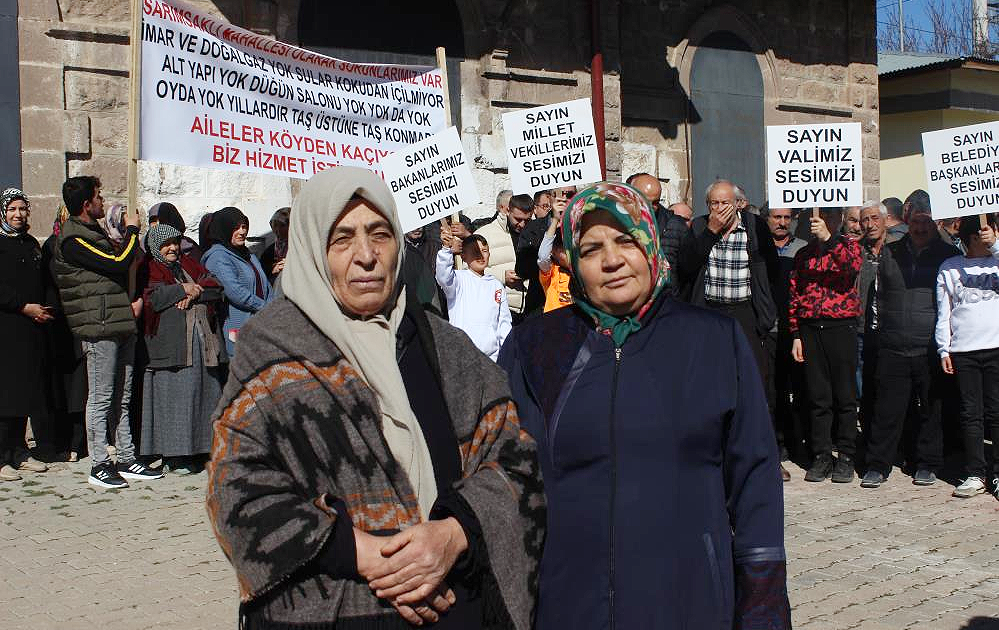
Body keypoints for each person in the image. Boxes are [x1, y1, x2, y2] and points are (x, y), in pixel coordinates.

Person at [206, 167, 544, 628]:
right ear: (311, 249)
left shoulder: (447, 349)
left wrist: (455, 532)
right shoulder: (271, 350)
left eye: (379, 234)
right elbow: (236, 489)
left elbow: (516, 461)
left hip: (452, 605)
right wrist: (364, 553)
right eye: (341, 238)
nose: (366, 255)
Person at [499, 182, 790, 630]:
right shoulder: (536, 347)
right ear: (572, 261)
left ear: (651, 244)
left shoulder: (713, 340)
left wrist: (762, 612)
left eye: (625, 240)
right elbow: (509, 480)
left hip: (689, 600)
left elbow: (755, 482)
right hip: (569, 602)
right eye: (592, 248)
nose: (612, 260)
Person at [52, 176, 162, 488]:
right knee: (101, 396)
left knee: (122, 395)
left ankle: (126, 457)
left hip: (118, 321)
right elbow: (117, 262)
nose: (102, 201)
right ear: (86, 204)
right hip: (99, 325)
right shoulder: (73, 240)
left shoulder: (93, 231)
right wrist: (132, 230)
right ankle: (99, 461)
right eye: (98, 197)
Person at [861, 210, 960, 489]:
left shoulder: (947, 254)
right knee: (887, 410)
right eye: (915, 222)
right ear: (908, 224)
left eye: (926, 223)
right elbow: (877, 296)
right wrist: (879, 333)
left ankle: (927, 464)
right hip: (893, 342)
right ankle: (877, 465)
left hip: (929, 344)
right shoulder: (890, 252)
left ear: (935, 224)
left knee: (931, 409)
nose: (920, 228)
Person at [139, 224, 226, 475]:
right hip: (171, 347)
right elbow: (151, 297)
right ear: (156, 246)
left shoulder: (188, 264)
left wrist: (194, 293)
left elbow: (215, 286)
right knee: (175, 399)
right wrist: (181, 289)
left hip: (199, 345)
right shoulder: (151, 267)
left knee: (203, 396)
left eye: (175, 242)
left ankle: (200, 452)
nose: (172, 248)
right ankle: (175, 456)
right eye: (166, 244)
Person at [789, 207, 863, 483]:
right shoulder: (803, 254)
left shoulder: (849, 247)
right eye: (821, 217)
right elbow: (795, 293)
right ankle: (821, 455)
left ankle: (845, 454)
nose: (824, 221)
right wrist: (796, 332)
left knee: (845, 396)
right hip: (810, 328)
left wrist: (830, 239)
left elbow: (850, 267)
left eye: (831, 217)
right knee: (818, 397)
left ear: (839, 220)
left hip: (841, 326)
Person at [676, 179, 778, 376]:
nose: (720, 208)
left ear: (737, 204)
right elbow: (686, 266)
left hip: (745, 312)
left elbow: (771, 268)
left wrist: (764, 313)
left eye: (725, 203)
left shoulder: (754, 226)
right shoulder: (699, 226)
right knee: (711, 371)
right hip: (710, 310)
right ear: (708, 205)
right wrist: (711, 232)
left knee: (750, 372)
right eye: (715, 203)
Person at [936, 214, 999, 499]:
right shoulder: (950, 267)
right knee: (970, 414)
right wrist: (943, 348)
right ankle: (977, 473)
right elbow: (944, 311)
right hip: (964, 350)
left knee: (996, 413)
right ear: (974, 236)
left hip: (996, 348)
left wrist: (996, 246)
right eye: (985, 232)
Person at [0, 188, 52, 480]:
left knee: (24, 392)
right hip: (7, 327)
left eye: (22, 209)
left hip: (31, 327)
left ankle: (19, 451)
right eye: (12, 210)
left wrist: (43, 308)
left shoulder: (30, 243)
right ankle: (1, 455)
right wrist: (22, 306)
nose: (18, 215)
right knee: (6, 394)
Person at [762, 204, 807, 480]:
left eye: (786, 218)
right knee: (772, 390)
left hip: (795, 331)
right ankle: (776, 445)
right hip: (768, 329)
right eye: (776, 217)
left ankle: (799, 443)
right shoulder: (757, 248)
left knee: (800, 388)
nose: (781, 222)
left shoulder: (802, 248)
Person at [41, 205, 88, 463]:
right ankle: (62, 442)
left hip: (79, 321)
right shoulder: (51, 246)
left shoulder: (82, 245)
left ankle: (78, 443)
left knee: (79, 387)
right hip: (58, 324)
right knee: (61, 386)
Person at [201, 207, 273, 357]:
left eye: (244, 227)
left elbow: (264, 283)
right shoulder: (218, 257)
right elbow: (235, 291)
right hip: (237, 325)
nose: (242, 232)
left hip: (261, 323)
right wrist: (265, 307)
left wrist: (272, 307)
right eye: (236, 228)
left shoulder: (248, 254)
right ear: (224, 229)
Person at [435, 226, 512, 361]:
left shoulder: (496, 285)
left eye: (484, 251)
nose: (481, 256)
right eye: (475, 251)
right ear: (464, 256)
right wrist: (446, 250)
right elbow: (443, 276)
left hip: (492, 359)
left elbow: (504, 323)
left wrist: (508, 352)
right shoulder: (457, 280)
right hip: (463, 356)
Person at [477, 193, 532, 322]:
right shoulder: (485, 234)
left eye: (527, 220)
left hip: (531, 310)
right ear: (507, 210)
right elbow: (468, 270)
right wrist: (502, 276)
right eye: (518, 219)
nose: (522, 225)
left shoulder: (535, 232)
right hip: (501, 310)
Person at [536, 212, 573, 312]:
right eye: (565, 251)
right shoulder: (552, 272)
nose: (570, 254)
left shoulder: (582, 270)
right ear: (553, 251)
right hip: (554, 325)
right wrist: (555, 220)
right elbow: (543, 257)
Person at [259, 206, 290, 283]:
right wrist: (273, 269)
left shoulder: (301, 247)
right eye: (275, 225)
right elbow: (262, 272)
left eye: (282, 225)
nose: (277, 229)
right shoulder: (269, 252)